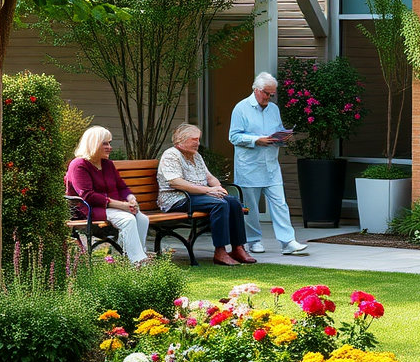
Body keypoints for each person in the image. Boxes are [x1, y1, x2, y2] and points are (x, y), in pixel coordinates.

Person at [229, 72, 307, 256]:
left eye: (272, 94)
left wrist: (283, 136)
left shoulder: (274, 109)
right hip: (249, 166)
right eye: (266, 93)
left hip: (271, 166)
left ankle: (288, 242)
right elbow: (234, 136)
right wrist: (257, 140)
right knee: (251, 207)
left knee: (280, 203)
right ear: (256, 90)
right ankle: (253, 241)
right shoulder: (241, 108)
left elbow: (277, 130)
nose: (269, 97)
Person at [157, 124, 256, 267]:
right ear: (181, 140)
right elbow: (176, 183)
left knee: (233, 202)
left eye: (198, 139)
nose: (198, 143)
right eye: (194, 139)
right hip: (177, 199)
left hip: (199, 196)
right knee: (219, 204)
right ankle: (220, 251)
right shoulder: (171, 155)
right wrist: (208, 191)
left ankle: (238, 248)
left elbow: (209, 178)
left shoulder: (196, 156)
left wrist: (218, 188)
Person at [65, 126, 150, 265]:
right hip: (88, 209)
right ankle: (138, 262)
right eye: (105, 143)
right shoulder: (78, 165)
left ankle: (130, 256)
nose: (109, 147)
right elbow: (88, 195)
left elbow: (122, 186)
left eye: (110, 143)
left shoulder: (108, 164)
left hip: (112, 206)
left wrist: (131, 199)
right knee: (128, 219)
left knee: (142, 219)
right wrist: (122, 206)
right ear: (93, 143)